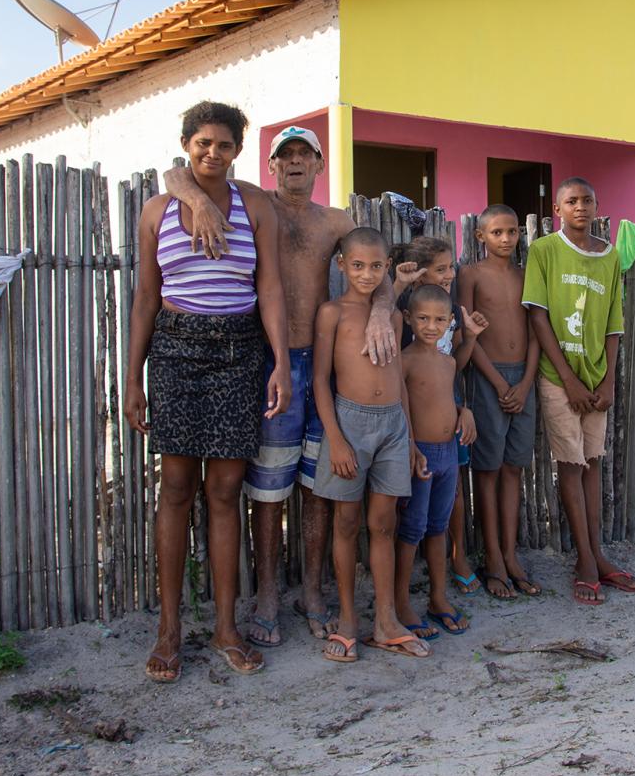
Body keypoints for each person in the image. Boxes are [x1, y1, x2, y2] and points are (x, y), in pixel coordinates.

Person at [163, 126, 396, 648]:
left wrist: (382, 308)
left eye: (304, 155)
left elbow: (377, 267)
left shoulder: (336, 221)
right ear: (271, 166)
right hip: (270, 360)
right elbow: (176, 173)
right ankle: (267, 592)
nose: (294, 163)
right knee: (267, 487)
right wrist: (198, 200)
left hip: (326, 364)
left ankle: (311, 591)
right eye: (284, 155)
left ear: (318, 165)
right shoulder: (252, 201)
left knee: (318, 484)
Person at [125, 101, 293, 683]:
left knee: (224, 491)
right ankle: (169, 631)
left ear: (237, 151)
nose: (212, 153)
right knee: (175, 487)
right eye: (202, 143)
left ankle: (225, 627)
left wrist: (279, 363)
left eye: (223, 144)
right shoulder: (157, 210)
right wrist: (131, 378)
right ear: (185, 144)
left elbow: (269, 286)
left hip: (239, 352)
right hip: (175, 351)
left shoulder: (256, 207)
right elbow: (146, 297)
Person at [522, 177, 635, 606]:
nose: (580, 207)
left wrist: (606, 379)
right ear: (557, 208)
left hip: (595, 380)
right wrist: (568, 380)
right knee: (570, 466)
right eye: (571, 201)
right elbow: (538, 315)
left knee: (593, 463)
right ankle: (585, 561)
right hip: (559, 378)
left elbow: (613, 322)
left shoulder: (609, 257)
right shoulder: (544, 251)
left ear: (596, 205)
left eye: (587, 200)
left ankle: (597, 555)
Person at [312, 228, 429, 661]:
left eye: (376, 266)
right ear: (341, 265)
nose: (366, 274)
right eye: (357, 265)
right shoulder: (332, 314)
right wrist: (337, 440)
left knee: (384, 524)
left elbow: (398, 380)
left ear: (386, 268)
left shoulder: (393, 317)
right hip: (348, 424)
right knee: (345, 523)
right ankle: (347, 621)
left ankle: (385, 621)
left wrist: (412, 440)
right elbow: (320, 382)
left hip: (393, 428)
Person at [459, 204, 542, 600]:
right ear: (481, 237)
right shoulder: (470, 275)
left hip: (522, 380)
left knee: (513, 470)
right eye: (497, 233)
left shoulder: (527, 277)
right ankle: (492, 558)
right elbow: (466, 333)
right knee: (487, 471)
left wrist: (525, 383)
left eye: (512, 232)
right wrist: (496, 382)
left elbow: (537, 331)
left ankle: (510, 555)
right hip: (485, 379)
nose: (506, 239)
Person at [393, 236, 481, 593]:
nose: (449, 274)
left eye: (450, 267)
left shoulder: (449, 328)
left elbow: (450, 371)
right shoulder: (406, 338)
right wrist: (411, 442)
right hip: (420, 440)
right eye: (441, 269)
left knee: (446, 508)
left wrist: (462, 408)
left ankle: (444, 585)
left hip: (449, 429)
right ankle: (401, 599)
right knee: (414, 522)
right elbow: (406, 392)